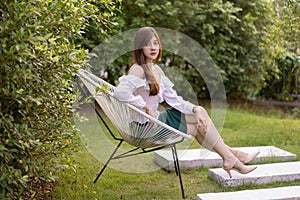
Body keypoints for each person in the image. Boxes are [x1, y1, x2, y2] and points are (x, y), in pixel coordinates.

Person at [113, 27, 259, 178]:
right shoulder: (138, 69)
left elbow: (175, 100)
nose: (153, 48)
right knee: (197, 122)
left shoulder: (156, 71)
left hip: (153, 123)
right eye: (148, 44)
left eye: (156, 43)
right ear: (139, 47)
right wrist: (144, 106)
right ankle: (233, 156)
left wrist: (196, 108)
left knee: (198, 124)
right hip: (143, 129)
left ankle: (231, 157)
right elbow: (120, 92)